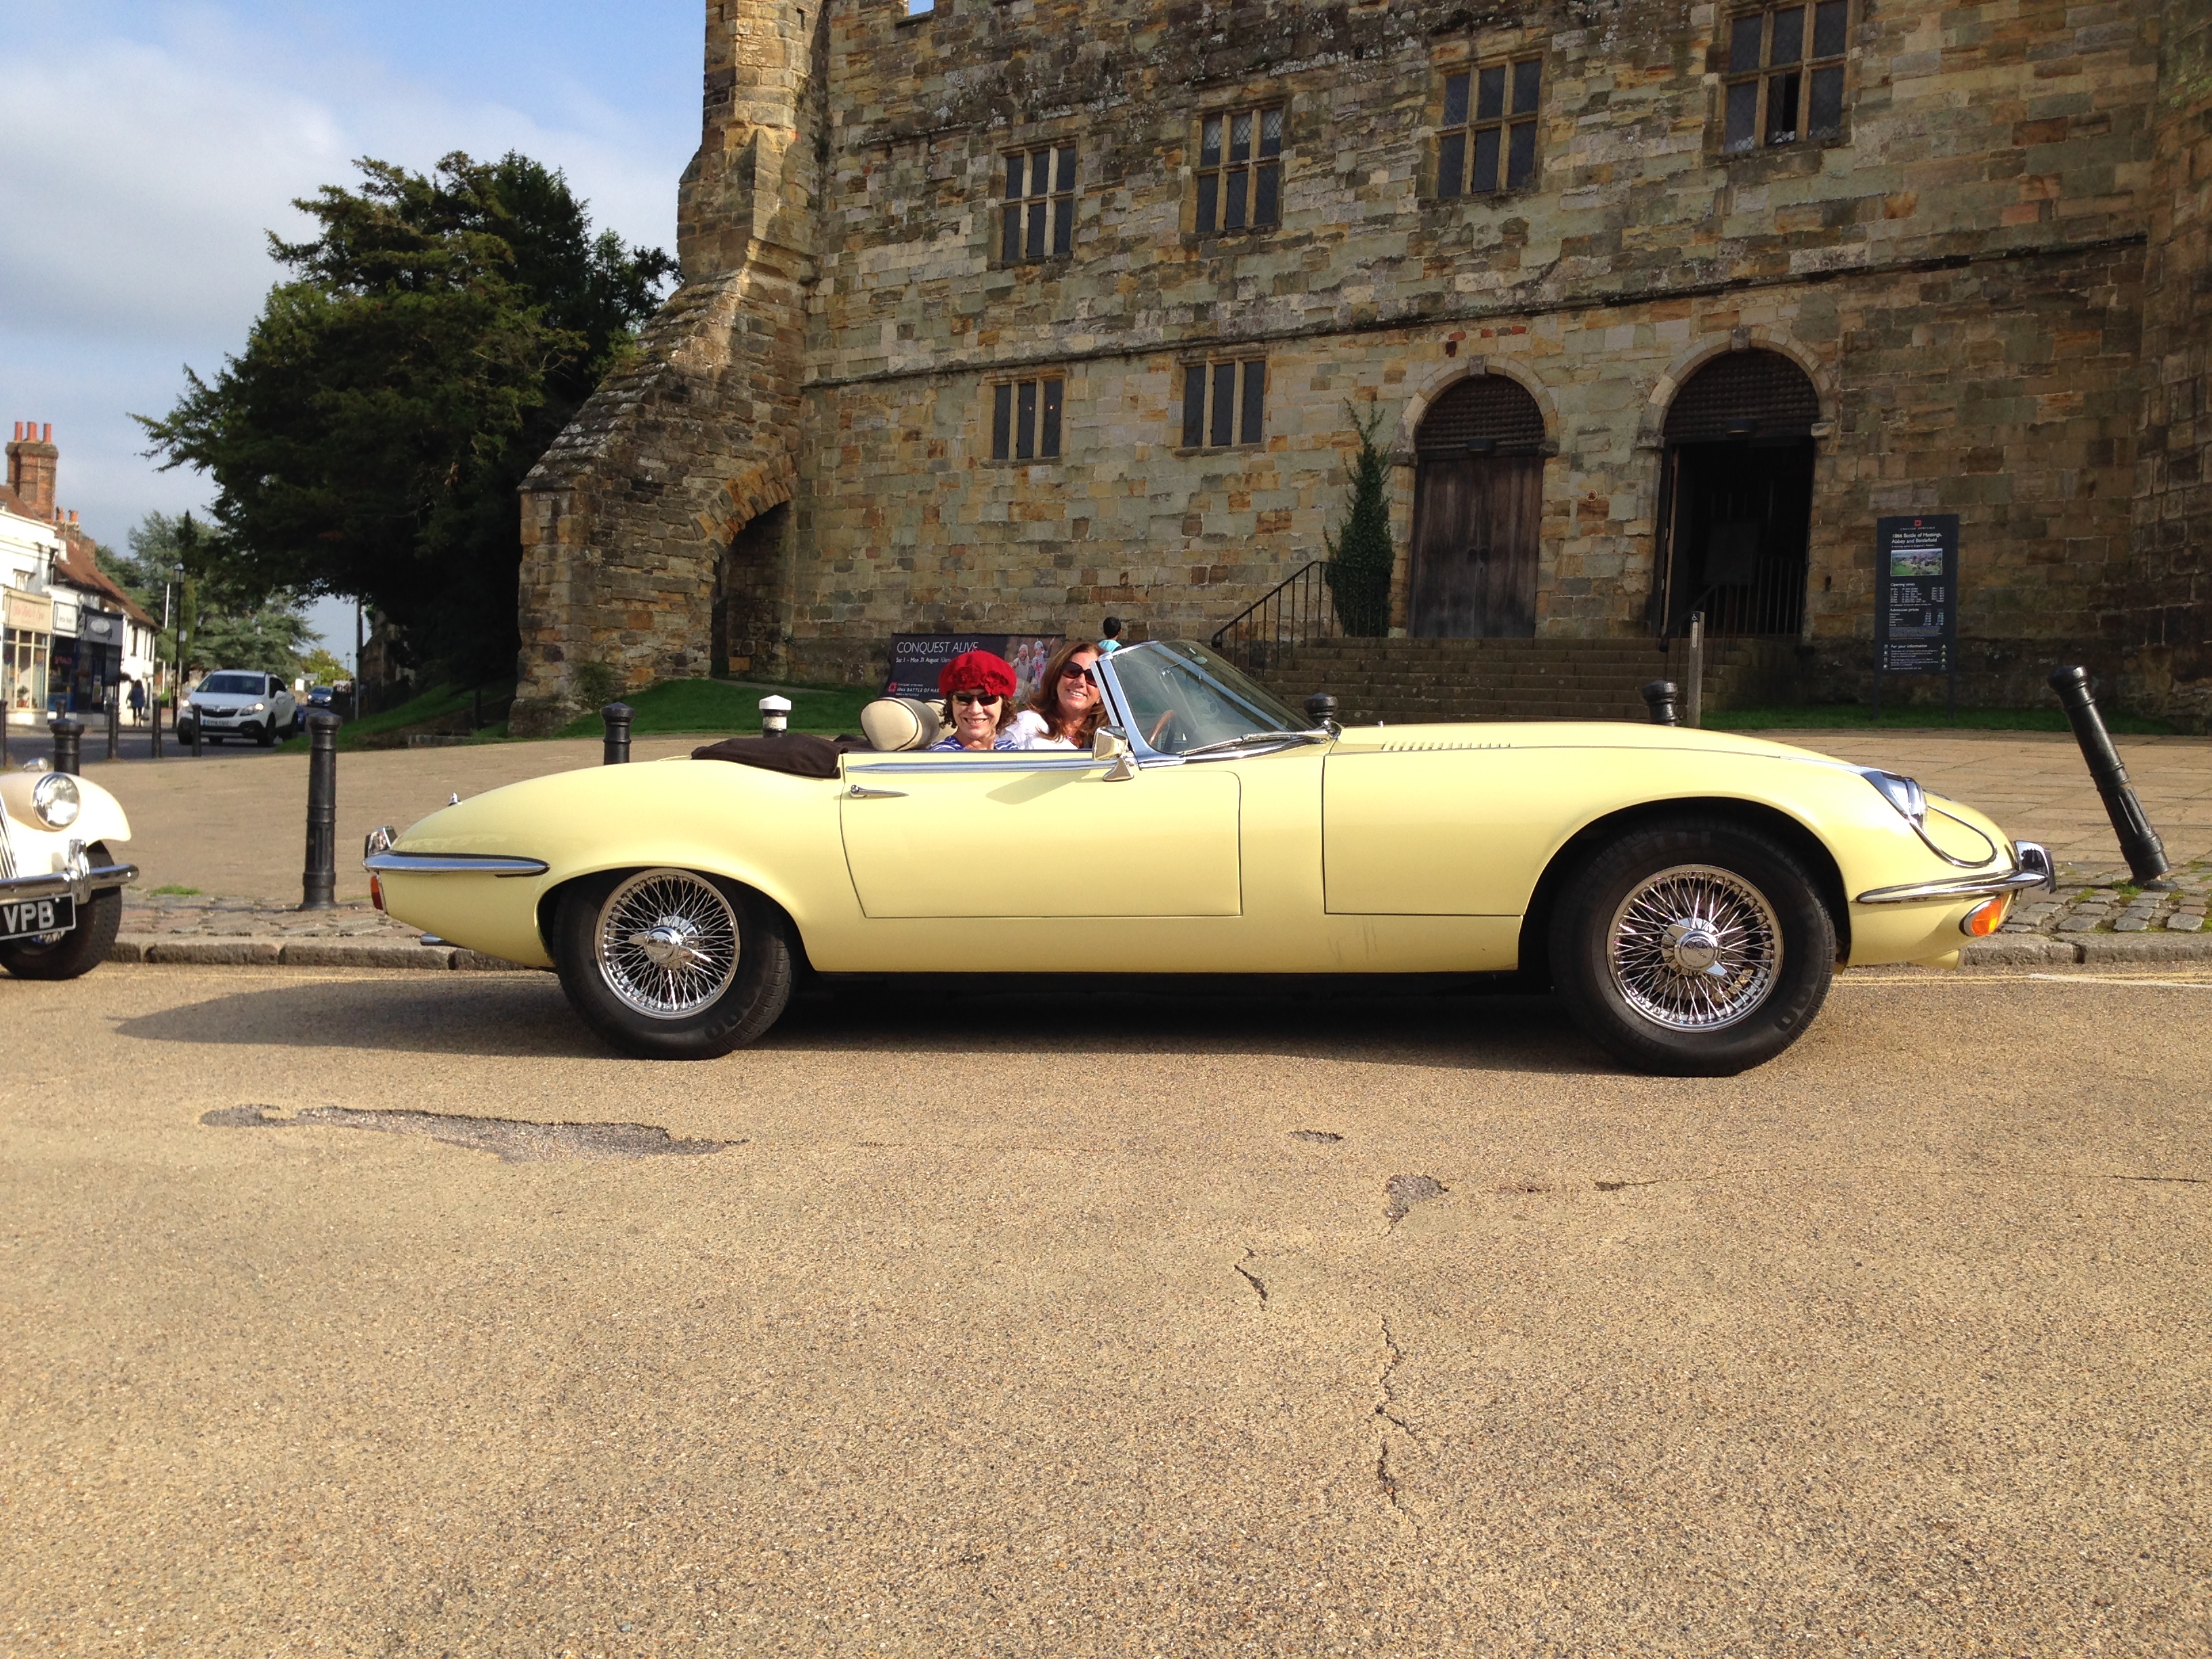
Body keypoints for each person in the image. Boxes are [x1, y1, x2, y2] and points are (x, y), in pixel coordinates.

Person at [1004, 638, 1103, 750]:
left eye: (1093, 677)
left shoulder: (1110, 742)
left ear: (1101, 694)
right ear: (1056, 678)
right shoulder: (1025, 727)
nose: (1080, 681)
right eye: (1072, 671)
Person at [928, 649, 1021, 751]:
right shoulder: (942, 756)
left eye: (987, 698)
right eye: (963, 698)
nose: (975, 710)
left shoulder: (1010, 749)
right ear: (951, 704)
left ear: (1004, 705)